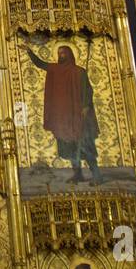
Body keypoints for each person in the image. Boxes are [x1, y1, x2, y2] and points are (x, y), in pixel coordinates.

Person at [25, 41, 101, 183]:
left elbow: (88, 91)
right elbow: (41, 64)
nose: (61, 55)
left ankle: (96, 175)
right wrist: (30, 52)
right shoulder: (55, 69)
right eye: (59, 53)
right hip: (64, 118)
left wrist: (85, 106)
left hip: (78, 116)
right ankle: (78, 174)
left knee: (85, 144)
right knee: (70, 146)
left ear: (70, 54)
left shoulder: (79, 71)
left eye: (63, 53)